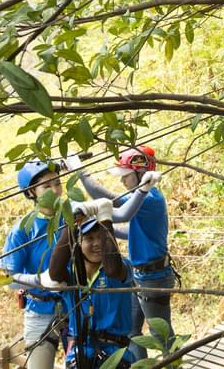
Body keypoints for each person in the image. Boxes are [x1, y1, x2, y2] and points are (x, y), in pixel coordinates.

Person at [65, 147, 167, 360]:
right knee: (132, 332)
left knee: (161, 335)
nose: (123, 182)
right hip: (142, 274)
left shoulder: (149, 199)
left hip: (153, 277)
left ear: (141, 173)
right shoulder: (144, 198)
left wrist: (79, 170)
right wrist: (103, 232)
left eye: (126, 176)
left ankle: (173, 364)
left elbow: (112, 206)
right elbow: (130, 231)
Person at [47, 198, 135, 368]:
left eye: (102, 238)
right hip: (80, 353)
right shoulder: (73, 275)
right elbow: (55, 273)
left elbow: (112, 269)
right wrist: (70, 223)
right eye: (89, 238)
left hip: (114, 354)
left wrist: (105, 217)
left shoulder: (122, 267)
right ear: (79, 243)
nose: (97, 244)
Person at [0, 160, 65, 369]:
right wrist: (40, 280)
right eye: (47, 186)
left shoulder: (72, 217)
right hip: (40, 308)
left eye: (57, 183)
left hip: (75, 304)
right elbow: (8, 278)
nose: (55, 190)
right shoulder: (22, 230)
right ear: (31, 192)